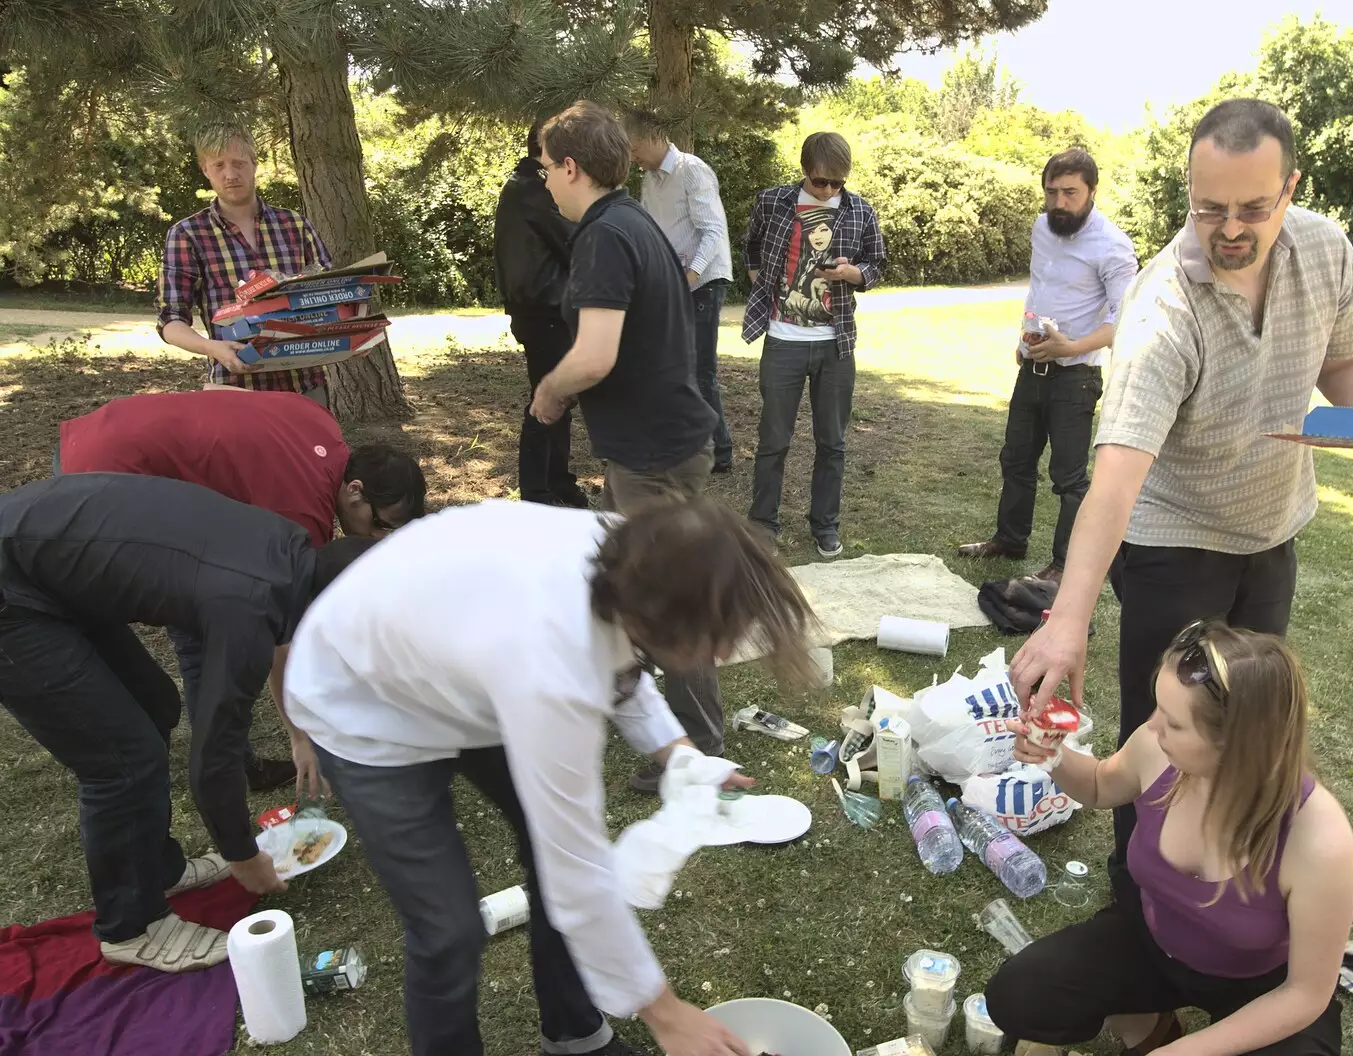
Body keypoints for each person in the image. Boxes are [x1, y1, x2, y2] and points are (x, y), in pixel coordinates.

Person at [1005, 99, 1353, 861]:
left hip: (1272, 527)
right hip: (1174, 542)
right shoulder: (1162, 303)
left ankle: (1230, 865)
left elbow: (1340, 360)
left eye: (1255, 206)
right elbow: (1116, 472)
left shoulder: (1323, 249)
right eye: (1209, 207)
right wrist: (1068, 619)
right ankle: (1142, 890)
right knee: (1165, 733)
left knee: (1245, 723)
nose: (1231, 229)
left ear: (1291, 188)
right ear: (1189, 189)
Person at [283, 497, 817, 1056]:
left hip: (459, 663)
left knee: (546, 864)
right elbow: (577, 868)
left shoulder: (637, 554)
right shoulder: (551, 665)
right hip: (364, 701)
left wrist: (680, 755)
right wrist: (665, 1013)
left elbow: (622, 659)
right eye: (717, 636)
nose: (729, 650)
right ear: (657, 618)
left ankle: (575, 1035)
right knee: (449, 930)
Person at [0, 473, 374, 971]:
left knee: (155, 705)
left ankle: (153, 867)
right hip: (13, 593)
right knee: (122, 759)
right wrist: (244, 856)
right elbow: (214, 758)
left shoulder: (287, 546)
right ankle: (130, 925)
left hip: (46, 565)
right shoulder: (247, 610)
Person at [987, 622, 1353, 1055]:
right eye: (1158, 707)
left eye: (1175, 723)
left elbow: (1305, 995)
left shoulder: (1318, 841)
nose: (1152, 725)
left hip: (1258, 984)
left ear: (1238, 744)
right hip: (1152, 942)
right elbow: (1101, 787)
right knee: (1020, 993)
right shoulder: (1156, 749)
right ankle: (1148, 1025)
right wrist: (1052, 755)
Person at [56, 388, 426, 792]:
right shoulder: (301, 514)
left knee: (204, 606)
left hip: (102, 429)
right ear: (355, 490)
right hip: (105, 478)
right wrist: (300, 737)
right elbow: (279, 644)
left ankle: (230, 763)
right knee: (197, 632)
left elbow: (225, 397)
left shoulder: (322, 424)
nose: (375, 538)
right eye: (379, 524)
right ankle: (224, 771)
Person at [532, 101, 722, 793]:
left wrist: (550, 395)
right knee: (601, 578)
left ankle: (696, 744)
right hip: (657, 442)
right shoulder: (630, 219)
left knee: (662, 601)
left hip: (653, 453)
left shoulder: (606, 237)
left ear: (572, 166)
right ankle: (615, 696)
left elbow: (595, 356)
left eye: (547, 167)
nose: (545, 180)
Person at [958, 148, 1137, 583]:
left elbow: (1126, 320)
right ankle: (1009, 539)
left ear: (1091, 190)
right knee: (1016, 460)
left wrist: (1071, 346)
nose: (1059, 203)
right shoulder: (1042, 228)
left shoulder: (1113, 245)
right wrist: (1026, 337)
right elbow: (1040, 290)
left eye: (1070, 193)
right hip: (1031, 368)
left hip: (1075, 377)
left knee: (1069, 479)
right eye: (1051, 192)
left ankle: (1063, 564)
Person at [741, 131, 888, 558]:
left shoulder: (860, 211)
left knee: (833, 442)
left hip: (835, 343)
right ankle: (762, 526)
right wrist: (764, 289)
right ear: (805, 171)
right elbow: (750, 248)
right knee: (773, 440)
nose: (828, 191)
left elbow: (876, 265)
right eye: (820, 181)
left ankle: (825, 525)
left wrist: (852, 274)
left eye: (837, 183)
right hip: (783, 339)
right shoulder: (772, 202)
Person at [157, 122, 335, 402]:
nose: (230, 174)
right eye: (218, 165)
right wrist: (211, 347)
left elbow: (332, 296)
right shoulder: (187, 234)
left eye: (239, 163)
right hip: (234, 389)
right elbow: (171, 321)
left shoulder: (295, 225)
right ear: (205, 170)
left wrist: (350, 336)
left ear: (254, 163)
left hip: (306, 386)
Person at [626, 109, 736, 473]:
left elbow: (713, 231)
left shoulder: (693, 170)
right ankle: (681, 443)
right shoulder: (649, 180)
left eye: (634, 146)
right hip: (670, 282)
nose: (631, 156)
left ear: (655, 136)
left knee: (700, 369)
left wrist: (690, 276)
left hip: (701, 282)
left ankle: (719, 451)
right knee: (670, 365)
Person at [495, 124, 589, 509]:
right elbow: (573, 238)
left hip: (540, 307)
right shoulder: (535, 188)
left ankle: (556, 479)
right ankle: (537, 489)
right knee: (549, 396)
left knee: (559, 396)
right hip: (544, 308)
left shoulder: (525, 185)